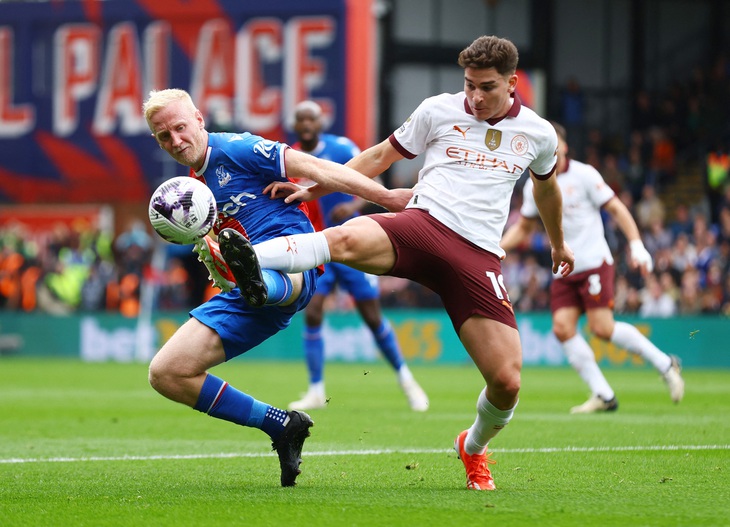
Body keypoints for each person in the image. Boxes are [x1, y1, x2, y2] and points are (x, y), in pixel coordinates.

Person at [216, 35, 576, 491]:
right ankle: (239, 258)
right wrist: (317, 190)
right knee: (343, 238)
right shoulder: (437, 109)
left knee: (507, 381)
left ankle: (473, 447)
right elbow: (380, 157)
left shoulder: (539, 134)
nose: (475, 97)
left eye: (486, 87)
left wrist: (559, 244)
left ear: (512, 82)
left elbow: (546, 190)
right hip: (423, 224)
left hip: (477, 255)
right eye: (469, 85)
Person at [142, 88, 409, 487]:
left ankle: (257, 276)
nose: (176, 141)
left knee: (274, 274)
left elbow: (320, 167)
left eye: (180, 127)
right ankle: (282, 425)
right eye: (164, 137)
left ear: (198, 118)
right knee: (166, 373)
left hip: (295, 263)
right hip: (246, 294)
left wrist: (385, 197)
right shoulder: (193, 191)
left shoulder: (237, 148)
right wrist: (221, 266)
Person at [500, 122, 685, 414]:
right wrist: (498, 248)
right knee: (562, 328)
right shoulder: (534, 184)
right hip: (563, 268)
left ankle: (665, 363)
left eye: (554, 143)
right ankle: (603, 395)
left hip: (593, 263)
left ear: (564, 146)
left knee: (602, 328)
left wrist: (636, 244)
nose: (551, 149)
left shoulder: (584, 175)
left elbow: (616, 208)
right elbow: (523, 227)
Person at [287, 100, 428, 412]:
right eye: (301, 120)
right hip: (317, 248)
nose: (307, 125)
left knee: (372, 317)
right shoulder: (290, 156)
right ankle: (315, 389)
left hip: (352, 246)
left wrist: (351, 207)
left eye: (312, 119)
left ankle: (407, 380)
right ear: (296, 126)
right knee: (312, 314)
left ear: (321, 123)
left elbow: (372, 181)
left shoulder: (340, 148)